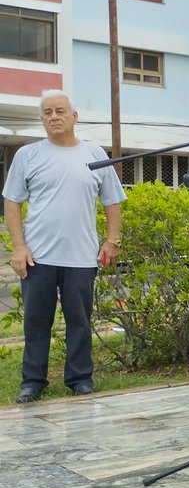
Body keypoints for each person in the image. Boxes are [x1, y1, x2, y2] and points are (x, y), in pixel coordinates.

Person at [4, 91, 125, 402]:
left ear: (74, 117)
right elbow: (12, 202)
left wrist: (113, 241)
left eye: (59, 111)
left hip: (82, 257)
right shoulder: (27, 156)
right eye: (46, 112)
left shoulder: (94, 154)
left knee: (80, 322)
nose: (53, 116)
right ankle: (32, 382)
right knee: (36, 322)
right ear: (42, 119)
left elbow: (112, 200)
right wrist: (19, 247)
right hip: (37, 257)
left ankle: (80, 378)